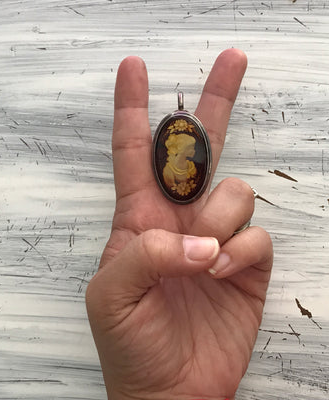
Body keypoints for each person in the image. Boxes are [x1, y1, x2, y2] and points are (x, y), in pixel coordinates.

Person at [86, 48, 273, 400]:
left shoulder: (187, 179)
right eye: (185, 154)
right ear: (171, 154)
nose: (189, 159)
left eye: (192, 154)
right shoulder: (170, 178)